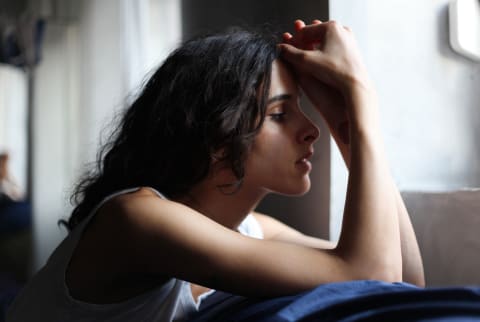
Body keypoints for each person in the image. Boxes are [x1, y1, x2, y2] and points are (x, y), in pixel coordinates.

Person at [6, 19, 425, 322]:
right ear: (214, 133)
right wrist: (359, 92)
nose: (311, 130)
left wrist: (347, 126)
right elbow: (370, 274)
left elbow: (404, 281)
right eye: (280, 114)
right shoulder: (136, 218)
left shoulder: (253, 230)